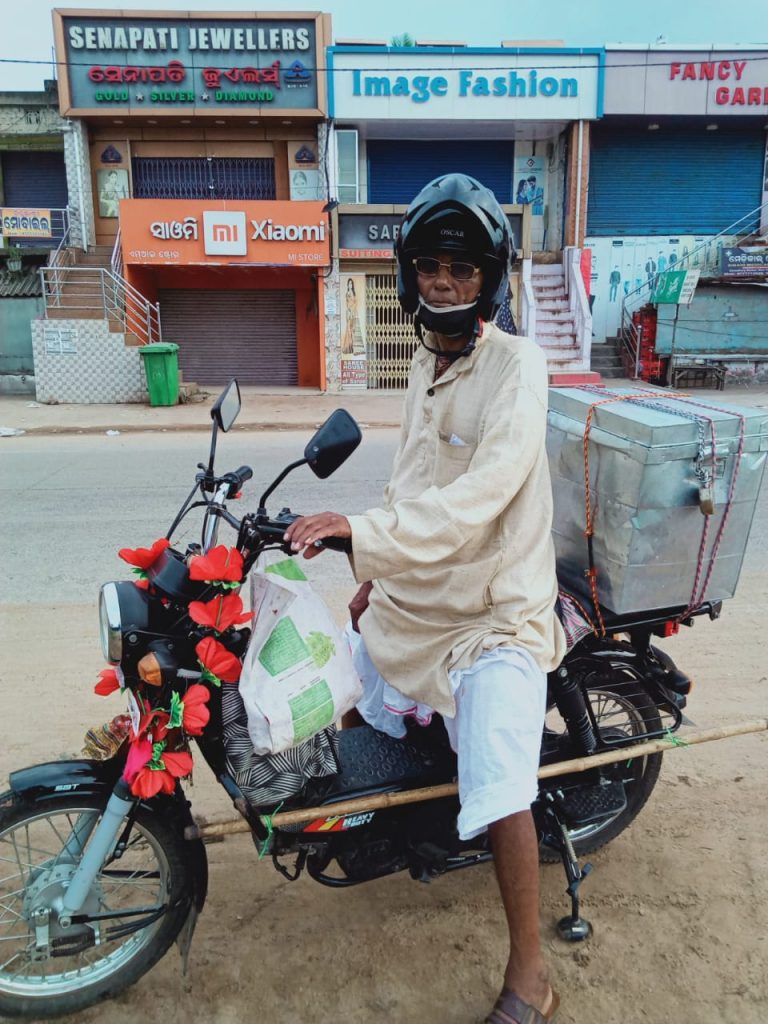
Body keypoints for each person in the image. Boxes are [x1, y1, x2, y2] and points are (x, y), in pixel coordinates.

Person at [285, 173, 565, 1024]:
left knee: (499, 778)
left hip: (493, 612)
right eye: (430, 267)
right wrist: (377, 566)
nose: (443, 282)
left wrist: (362, 534)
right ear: (409, 276)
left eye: (462, 268)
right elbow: (414, 478)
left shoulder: (519, 366)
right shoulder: (427, 362)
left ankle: (532, 972)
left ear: (489, 280)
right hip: (429, 588)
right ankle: (384, 818)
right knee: (354, 655)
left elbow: (481, 496)